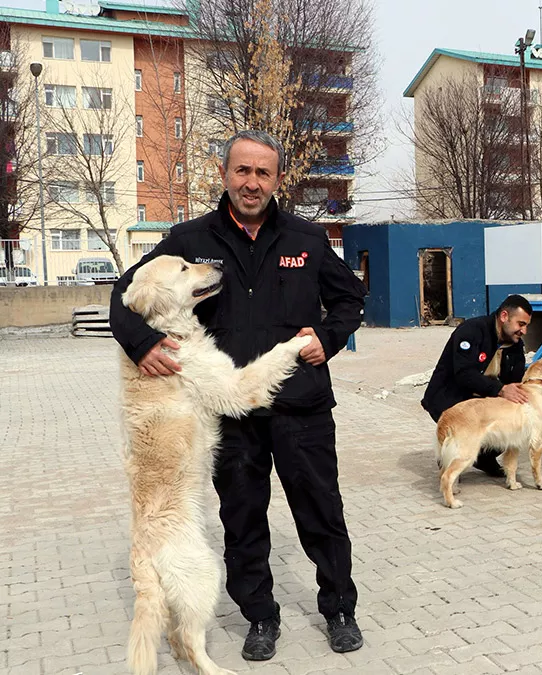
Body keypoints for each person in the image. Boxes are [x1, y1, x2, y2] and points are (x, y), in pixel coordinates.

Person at [109, 130, 367, 661]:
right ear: (225, 174)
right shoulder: (188, 238)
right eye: (242, 171)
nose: (252, 183)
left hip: (302, 406)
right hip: (230, 413)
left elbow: (350, 299)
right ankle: (260, 617)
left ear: (277, 179)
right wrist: (141, 342)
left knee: (321, 509)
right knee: (243, 518)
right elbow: (124, 293)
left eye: (263, 173)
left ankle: (339, 607)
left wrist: (329, 336)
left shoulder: (306, 238)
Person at [421, 295, 532, 475]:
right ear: (504, 316)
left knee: (511, 419)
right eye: (521, 324)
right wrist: (500, 390)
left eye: (526, 325)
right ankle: (450, 458)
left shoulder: (515, 344)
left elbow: (514, 381)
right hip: (451, 397)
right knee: (463, 429)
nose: (524, 331)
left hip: (482, 399)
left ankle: (483, 458)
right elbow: (464, 374)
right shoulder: (472, 331)